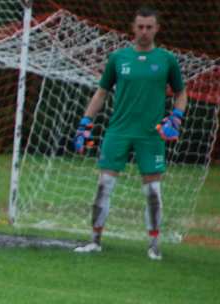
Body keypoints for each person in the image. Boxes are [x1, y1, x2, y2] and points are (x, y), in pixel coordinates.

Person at [73, 6, 187, 260]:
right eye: (140, 27)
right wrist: (84, 123)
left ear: (156, 28)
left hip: (151, 135)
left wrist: (176, 119)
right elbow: (101, 92)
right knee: (104, 185)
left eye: (149, 27)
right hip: (119, 131)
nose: (144, 32)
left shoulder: (166, 60)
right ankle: (94, 240)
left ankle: (154, 245)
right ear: (133, 28)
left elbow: (181, 93)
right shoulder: (118, 58)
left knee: (153, 192)